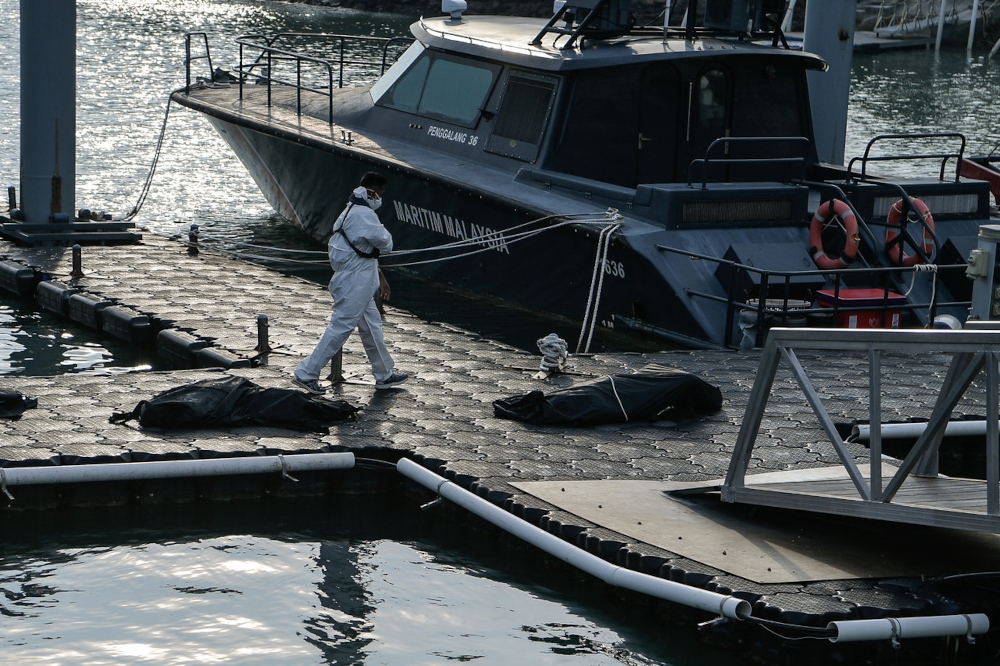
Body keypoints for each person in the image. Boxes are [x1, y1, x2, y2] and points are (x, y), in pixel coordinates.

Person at [293, 172, 408, 394]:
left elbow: (364, 252)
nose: (381, 197)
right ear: (372, 191)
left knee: (372, 327)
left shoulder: (349, 211)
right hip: (356, 282)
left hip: (355, 280)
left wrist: (380, 276)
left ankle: (384, 374)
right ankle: (306, 373)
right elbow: (386, 243)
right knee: (341, 327)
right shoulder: (365, 215)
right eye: (381, 193)